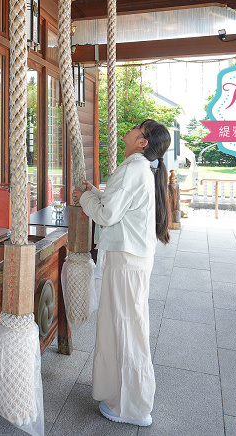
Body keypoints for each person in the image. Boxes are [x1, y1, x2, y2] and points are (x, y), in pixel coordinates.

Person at [71, 118, 172, 426]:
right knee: (124, 325)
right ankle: (121, 395)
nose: (129, 130)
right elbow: (116, 205)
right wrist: (95, 192)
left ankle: (133, 407)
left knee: (127, 329)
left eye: (137, 129)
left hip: (127, 261)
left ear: (142, 142)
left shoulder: (133, 170)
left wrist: (84, 198)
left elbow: (106, 214)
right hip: (130, 259)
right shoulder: (138, 169)